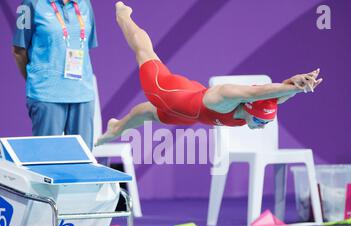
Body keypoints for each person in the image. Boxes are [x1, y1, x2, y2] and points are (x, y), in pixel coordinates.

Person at [95, 2, 323, 147]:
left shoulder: (256, 109)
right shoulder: (226, 98)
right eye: (260, 121)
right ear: (250, 108)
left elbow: (276, 95)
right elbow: (260, 91)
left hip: (189, 111)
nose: (263, 125)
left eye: (265, 121)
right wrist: (293, 87)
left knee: (148, 114)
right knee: (145, 53)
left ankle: (117, 126)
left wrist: (297, 84)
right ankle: (124, 16)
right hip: (172, 94)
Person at [13, 0, 98, 150]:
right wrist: (38, 79)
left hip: (83, 95)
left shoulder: (85, 4)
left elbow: (84, 46)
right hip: (47, 95)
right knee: (46, 161)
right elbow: (19, 50)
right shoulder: (30, 4)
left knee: (83, 164)